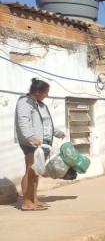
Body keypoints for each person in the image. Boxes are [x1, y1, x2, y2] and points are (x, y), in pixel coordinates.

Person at [14, 78, 65, 211]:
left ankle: (34, 199)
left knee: (36, 172)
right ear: (37, 92)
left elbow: (46, 124)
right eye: (46, 92)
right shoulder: (24, 103)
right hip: (31, 142)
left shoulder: (41, 105)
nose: (47, 95)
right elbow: (23, 122)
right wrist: (31, 137)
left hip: (42, 143)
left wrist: (58, 133)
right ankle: (26, 202)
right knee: (30, 170)